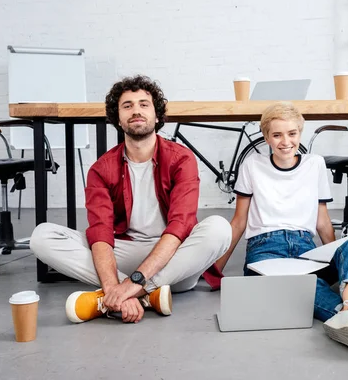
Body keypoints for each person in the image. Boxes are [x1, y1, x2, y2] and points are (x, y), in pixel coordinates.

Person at [216, 102, 348, 353]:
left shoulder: (314, 164)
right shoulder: (252, 164)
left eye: (292, 134)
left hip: (305, 249)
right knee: (301, 284)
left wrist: (338, 255)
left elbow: (323, 221)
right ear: (266, 137)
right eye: (277, 135)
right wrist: (216, 270)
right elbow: (239, 221)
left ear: (300, 134)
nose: (285, 141)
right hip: (265, 251)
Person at [30, 75, 231, 324]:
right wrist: (116, 284)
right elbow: (101, 233)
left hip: (174, 259)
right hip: (124, 251)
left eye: (144, 104)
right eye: (127, 106)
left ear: (157, 116)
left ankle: (121, 295)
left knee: (219, 228)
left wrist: (132, 284)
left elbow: (180, 226)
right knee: (42, 237)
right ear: (118, 119)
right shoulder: (101, 169)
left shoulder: (181, 159)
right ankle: (145, 296)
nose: (136, 110)